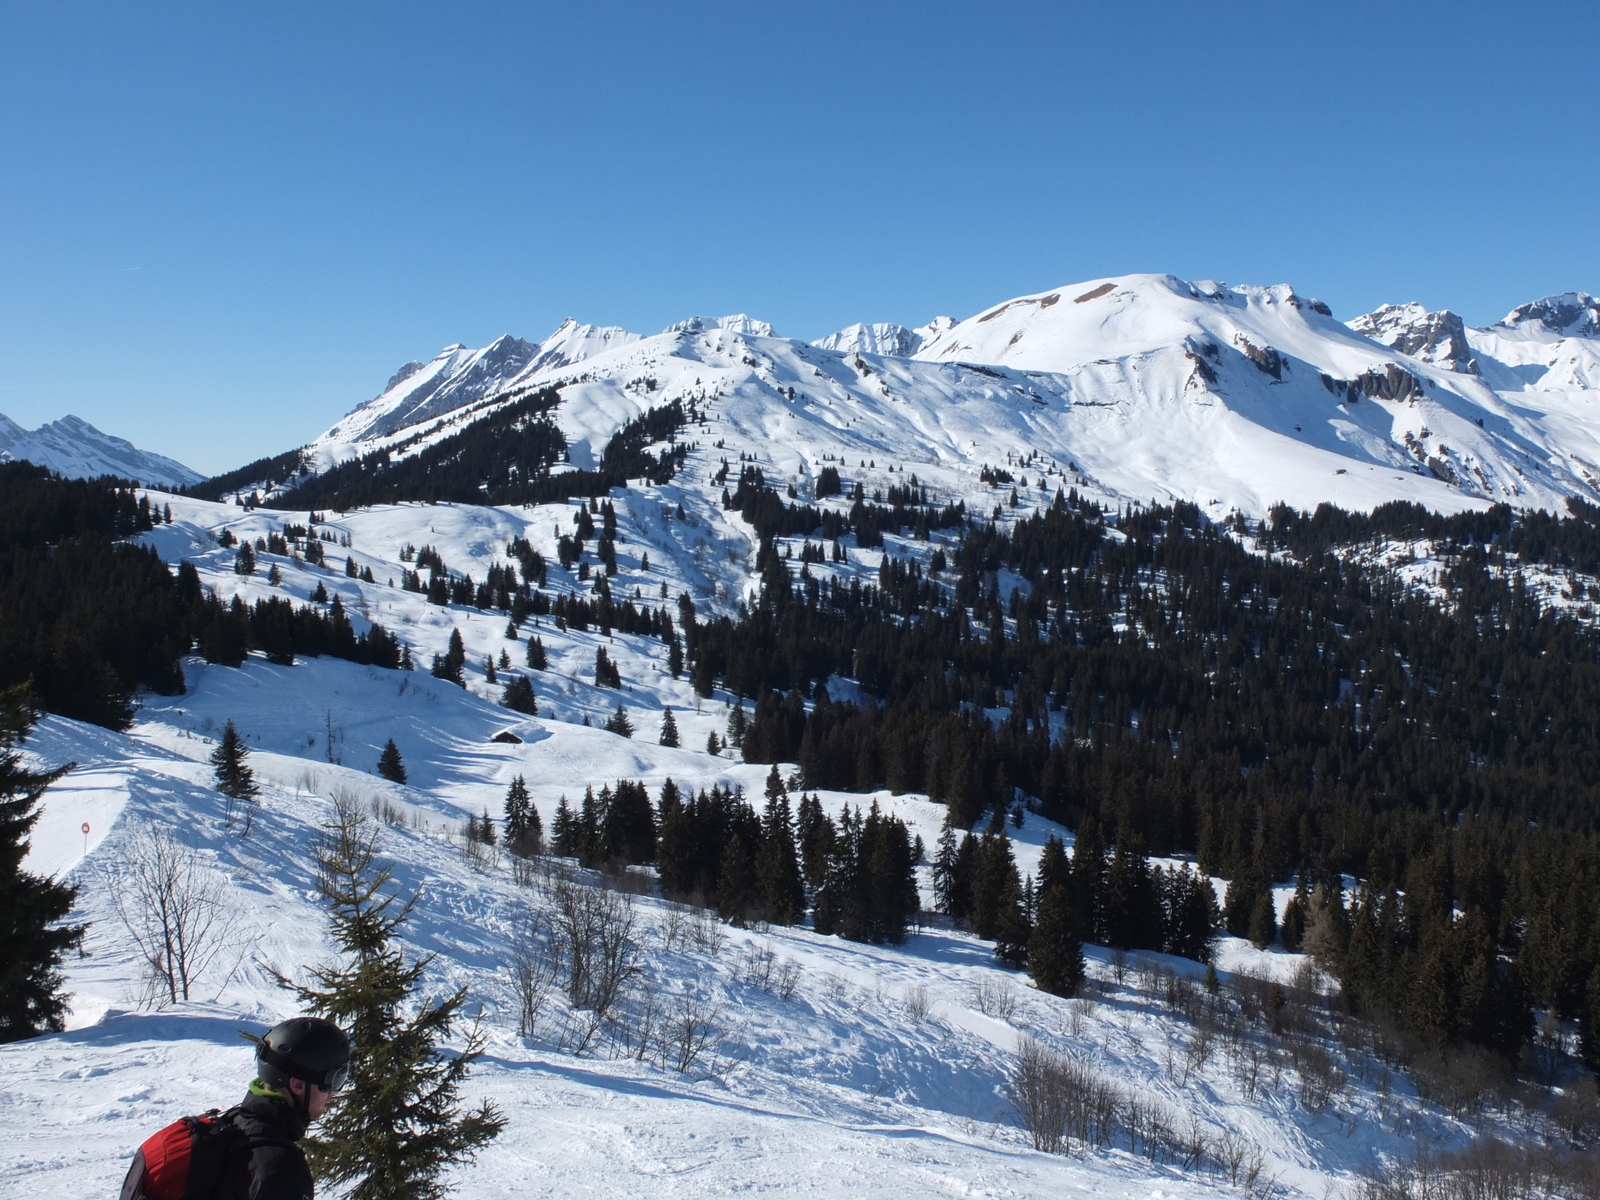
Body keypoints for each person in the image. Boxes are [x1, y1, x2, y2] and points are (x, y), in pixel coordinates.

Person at [120, 1016, 350, 1200]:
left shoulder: (232, 1126)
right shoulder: (280, 1168)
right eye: (333, 1081)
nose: (333, 1094)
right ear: (298, 1085)